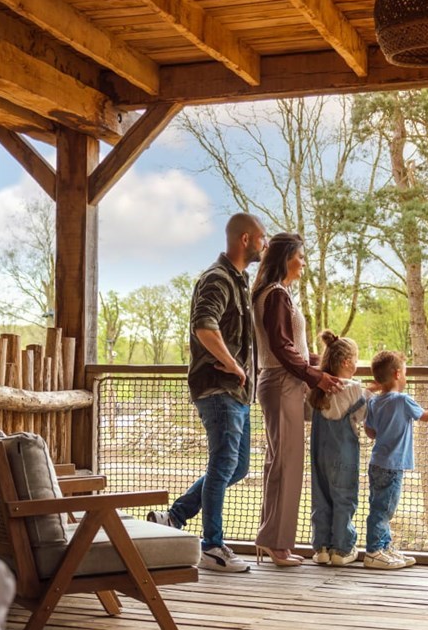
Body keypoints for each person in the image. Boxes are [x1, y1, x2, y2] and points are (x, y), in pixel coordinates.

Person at [147, 213, 267, 573]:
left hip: (237, 394)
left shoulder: (239, 281)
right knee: (223, 464)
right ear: (245, 239)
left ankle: (174, 517)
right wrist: (233, 365)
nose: (264, 244)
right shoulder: (217, 278)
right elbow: (204, 326)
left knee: (237, 466)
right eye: (261, 237)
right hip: (218, 388)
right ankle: (212, 546)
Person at [251, 232, 343, 566]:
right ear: (286, 258)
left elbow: (291, 347)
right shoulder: (276, 294)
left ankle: (272, 540)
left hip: (282, 382)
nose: (304, 262)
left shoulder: (275, 292)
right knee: (287, 464)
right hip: (282, 383)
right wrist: (315, 376)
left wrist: (321, 364)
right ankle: (277, 545)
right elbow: (281, 346)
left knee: (279, 463)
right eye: (300, 256)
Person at [362, 350, 428, 570]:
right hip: (392, 466)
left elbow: (370, 432)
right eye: (405, 373)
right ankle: (374, 551)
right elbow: (425, 417)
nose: (405, 377)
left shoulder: (374, 402)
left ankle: (385, 547)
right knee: (384, 510)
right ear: (397, 374)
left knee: (380, 505)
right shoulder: (402, 400)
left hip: (377, 463)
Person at [307, 331, 366, 566]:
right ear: (347, 362)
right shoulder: (354, 389)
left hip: (319, 453)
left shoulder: (317, 389)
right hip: (344, 455)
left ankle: (322, 547)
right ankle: (342, 549)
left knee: (321, 496)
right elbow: (363, 416)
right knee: (344, 497)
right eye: (356, 359)